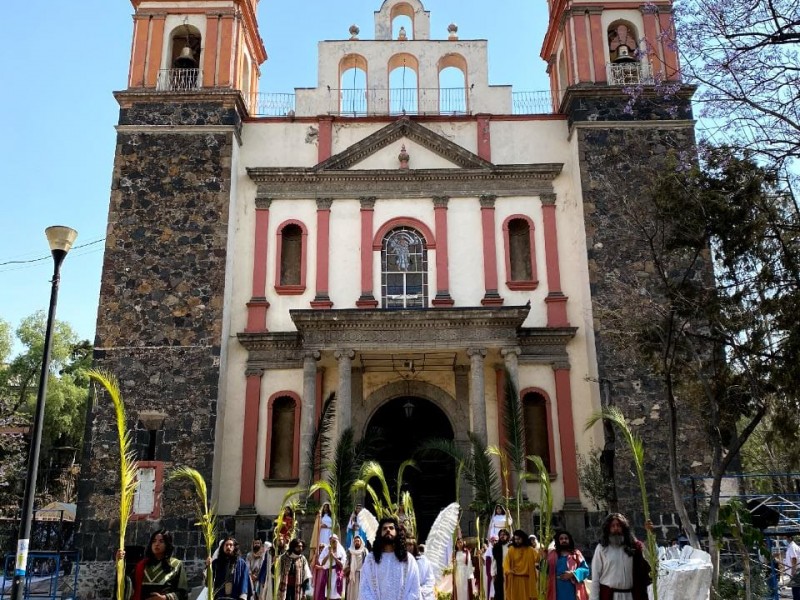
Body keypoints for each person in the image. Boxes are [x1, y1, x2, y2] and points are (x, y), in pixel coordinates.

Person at [590, 513, 651, 600]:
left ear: (623, 527)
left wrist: (650, 533)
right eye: (612, 526)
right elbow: (595, 577)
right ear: (608, 528)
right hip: (609, 596)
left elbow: (650, 560)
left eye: (618, 525)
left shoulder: (634, 546)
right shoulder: (602, 548)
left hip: (630, 595)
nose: (616, 528)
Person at [360, 516, 420, 600]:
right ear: (379, 534)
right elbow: (365, 588)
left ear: (397, 532)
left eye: (391, 528)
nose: (388, 530)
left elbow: (414, 589)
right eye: (384, 528)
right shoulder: (370, 560)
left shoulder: (408, 559)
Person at [123, 529, 189, 600]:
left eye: (161, 541)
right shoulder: (141, 565)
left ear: (167, 544)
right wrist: (120, 561)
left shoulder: (176, 564)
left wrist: (165, 598)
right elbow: (126, 584)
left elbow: (183, 592)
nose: (157, 544)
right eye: (154, 541)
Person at [546, 530, 589, 600]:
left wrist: (573, 574)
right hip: (557, 589)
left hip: (572, 589)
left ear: (569, 540)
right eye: (561, 539)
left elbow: (585, 570)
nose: (564, 540)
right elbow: (545, 569)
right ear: (558, 541)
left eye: (566, 538)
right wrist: (543, 558)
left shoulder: (576, 554)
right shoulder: (552, 554)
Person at [504, 529, 539, 600]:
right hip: (514, 579)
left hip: (527, 580)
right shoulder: (511, 549)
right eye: (515, 539)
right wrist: (508, 570)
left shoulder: (530, 550)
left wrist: (542, 553)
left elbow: (538, 559)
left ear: (523, 538)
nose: (517, 541)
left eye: (519, 539)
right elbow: (506, 562)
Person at [318, 535, 347, 600]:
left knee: (336, 593)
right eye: (331, 541)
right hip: (328, 573)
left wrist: (334, 556)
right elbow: (322, 563)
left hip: (337, 573)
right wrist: (328, 555)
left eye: (334, 541)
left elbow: (342, 565)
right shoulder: (326, 549)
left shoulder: (341, 550)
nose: (332, 543)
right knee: (327, 592)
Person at [491, 529, 511, 600]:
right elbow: (494, 561)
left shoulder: (511, 546)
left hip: (510, 572)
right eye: (501, 535)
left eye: (504, 535)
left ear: (507, 536)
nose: (502, 536)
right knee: (499, 592)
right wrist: (493, 573)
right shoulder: (496, 547)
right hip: (499, 572)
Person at [347, 536, 368, 600]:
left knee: (360, 592)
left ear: (360, 542)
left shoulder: (364, 551)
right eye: (355, 541)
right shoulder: (350, 551)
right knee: (352, 592)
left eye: (358, 541)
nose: (356, 542)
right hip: (352, 575)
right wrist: (347, 572)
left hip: (362, 575)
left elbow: (368, 563)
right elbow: (347, 563)